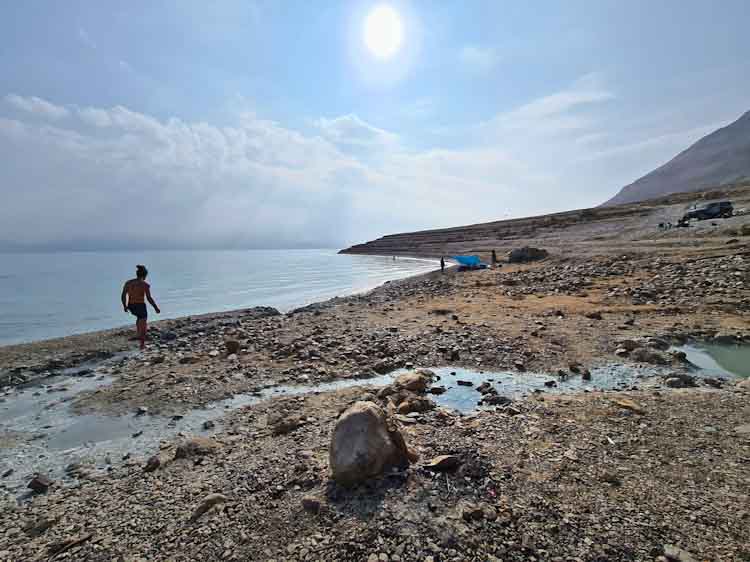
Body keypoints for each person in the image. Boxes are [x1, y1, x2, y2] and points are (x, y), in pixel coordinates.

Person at [121, 265, 160, 349]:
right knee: (144, 324)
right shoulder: (145, 285)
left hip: (131, 306)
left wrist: (124, 306)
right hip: (140, 306)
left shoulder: (128, 283)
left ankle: (138, 333)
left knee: (139, 319)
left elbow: (123, 295)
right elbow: (149, 298)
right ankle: (142, 344)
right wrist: (156, 307)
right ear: (144, 275)